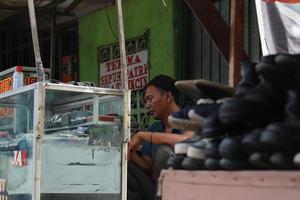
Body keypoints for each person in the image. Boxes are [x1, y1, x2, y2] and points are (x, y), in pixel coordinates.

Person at [129, 74, 194, 176]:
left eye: (150, 98)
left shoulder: (191, 118)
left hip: (187, 182)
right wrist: (129, 150)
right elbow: (148, 166)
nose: (147, 105)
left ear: (168, 96)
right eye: (145, 101)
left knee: (164, 152)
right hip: (158, 185)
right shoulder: (154, 128)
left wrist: (143, 135)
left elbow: (186, 140)